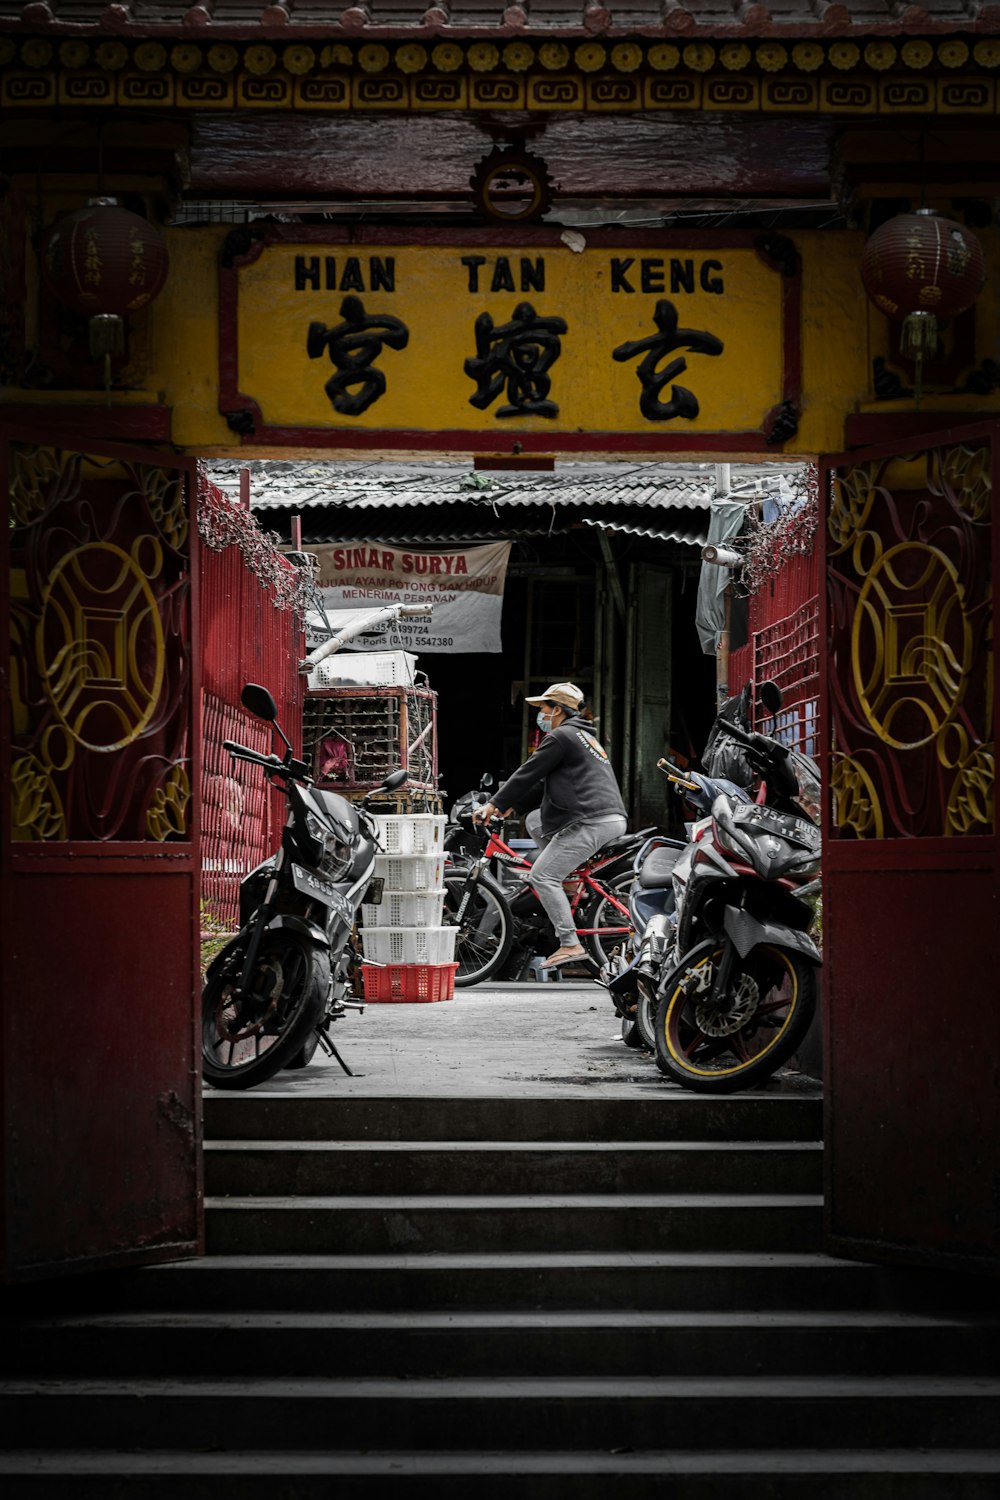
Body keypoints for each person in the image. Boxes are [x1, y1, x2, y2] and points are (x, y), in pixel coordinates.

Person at [476, 682, 628, 970]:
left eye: (543, 708)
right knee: (534, 819)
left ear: (557, 709)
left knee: (542, 876)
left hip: (592, 821)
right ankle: (568, 879)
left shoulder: (561, 736)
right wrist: (515, 807)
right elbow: (542, 782)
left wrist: (493, 804)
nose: (540, 714)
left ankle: (569, 943)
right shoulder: (582, 737)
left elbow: (527, 772)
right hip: (605, 818)